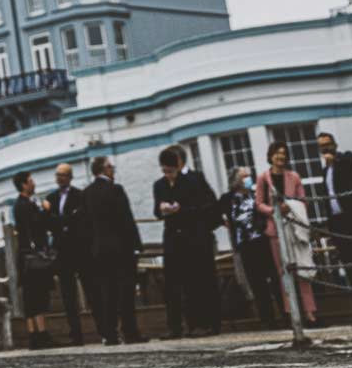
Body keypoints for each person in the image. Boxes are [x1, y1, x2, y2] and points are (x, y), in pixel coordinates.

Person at [152, 146, 221, 338]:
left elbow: (207, 207)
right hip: (173, 238)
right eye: (165, 171)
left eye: (171, 171)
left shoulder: (193, 180)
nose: (168, 176)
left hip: (194, 237)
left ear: (179, 165)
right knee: (172, 283)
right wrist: (162, 208)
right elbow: (157, 211)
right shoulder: (160, 185)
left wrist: (181, 210)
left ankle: (202, 323)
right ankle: (175, 326)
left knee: (197, 282)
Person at [256, 142, 320, 327]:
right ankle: (291, 313)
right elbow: (259, 203)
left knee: (302, 268)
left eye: (283, 154)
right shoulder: (263, 178)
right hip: (275, 230)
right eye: (277, 154)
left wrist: (292, 208)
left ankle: (310, 313)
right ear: (271, 156)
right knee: (283, 271)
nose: (280, 157)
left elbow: (303, 200)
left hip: (294, 226)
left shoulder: (294, 176)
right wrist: (274, 210)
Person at [82, 157, 144, 345]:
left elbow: (85, 224)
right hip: (120, 248)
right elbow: (125, 219)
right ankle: (130, 331)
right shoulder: (115, 190)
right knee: (125, 291)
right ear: (104, 169)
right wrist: (136, 245)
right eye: (111, 167)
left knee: (106, 293)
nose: (113, 170)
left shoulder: (87, 193)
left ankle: (110, 334)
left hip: (99, 250)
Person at [220, 166, 283, 329]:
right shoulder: (228, 198)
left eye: (249, 176)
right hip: (245, 244)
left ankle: (285, 314)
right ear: (236, 180)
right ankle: (267, 319)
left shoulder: (256, 194)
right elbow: (215, 213)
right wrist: (224, 221)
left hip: (262, 240)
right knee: (257, 282)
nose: (248, 179)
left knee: (274, 278)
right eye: (244, 176)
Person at [45, 162, 90, 346]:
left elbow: (80, 219)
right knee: (68, 295)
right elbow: (49, 222)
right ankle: (75, 334)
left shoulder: (80, 196)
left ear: (70, 177)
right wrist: (65, 220)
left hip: (79, 249)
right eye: (57, 174)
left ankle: (104, 330)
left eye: (63, 175)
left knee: (90, 289)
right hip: (62, 252)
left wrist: (61, 220)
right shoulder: (51, 198)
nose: (59, 178)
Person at [317, 130, 352, 312]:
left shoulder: (346, 158)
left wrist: (334, 160)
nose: (325, 148)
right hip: (338, 223)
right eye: (321, 146)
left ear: (334, 144)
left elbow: (351, 171)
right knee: (350, 268)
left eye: (327, 144)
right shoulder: (325, 170)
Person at [12, 171, 55, 347]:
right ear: (24, 184)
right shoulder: (26, 205)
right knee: (37, 294)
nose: (33, 183)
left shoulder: (20, 205)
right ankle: (40, 334)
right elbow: (37, 225)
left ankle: (35, 334)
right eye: (30, 181)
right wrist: (45, 210)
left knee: (31, 295)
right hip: (32, 255)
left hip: (25, 255)